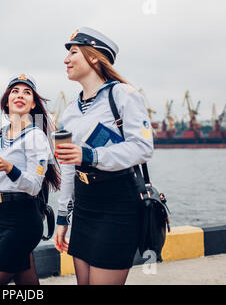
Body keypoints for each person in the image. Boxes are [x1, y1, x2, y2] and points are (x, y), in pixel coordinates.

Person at [53, 27, 154, 285]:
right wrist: (63, 217)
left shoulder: (123, 95)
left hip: (118, 204)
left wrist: (90, 155)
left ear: (94, 57)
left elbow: (143, 147)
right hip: (85, 207)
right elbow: (67, 167)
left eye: (73, 52)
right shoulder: (68, 113)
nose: (66, 60)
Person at [0, 74, 60, 285]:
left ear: (33, 104)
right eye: (15, 91)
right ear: (6, 101)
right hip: (3, 217)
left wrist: (9, 167)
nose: (20, 95)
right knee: (27, 284)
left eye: (27, 92)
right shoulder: (0, 136)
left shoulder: (35, 137)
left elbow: (33, 186)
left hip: (24, 221)